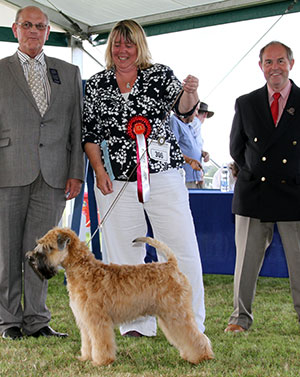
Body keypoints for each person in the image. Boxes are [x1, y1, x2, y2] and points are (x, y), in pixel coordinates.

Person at [82, 19, 206, 337]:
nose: (123, 50)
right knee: (122, 254)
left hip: (163, 176)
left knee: (180, 249)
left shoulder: (160, 74)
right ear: (111, 47)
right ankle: (136, 323)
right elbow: (90, 133)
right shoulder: (96, 84)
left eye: (130, 43)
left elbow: (184, 110)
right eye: (117, 44)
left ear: (140, 46)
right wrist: (98, 171)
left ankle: (190, 321)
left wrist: (190, 93)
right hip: (115, 179)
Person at [0, 6, 84, 340]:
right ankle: (8, 321)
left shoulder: (69, 72)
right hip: (7, 171)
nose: (33, 31)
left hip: (54, 176)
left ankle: (37, 320)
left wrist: (75, 171)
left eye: (40, 26)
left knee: (44, 252)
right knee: (6, 251)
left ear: (49, 32)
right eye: (27, 25)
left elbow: (77, 127)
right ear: (15, 29)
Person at [225, 41, 300, 333]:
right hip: (254, 192)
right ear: (261, 67)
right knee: (245, 261)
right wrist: (253, 171)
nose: (274, 68)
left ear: (291, 64)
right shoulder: (246, 102)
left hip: (295, 191)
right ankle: (239, 319)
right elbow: (236, 147)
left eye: (280, 61)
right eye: (268, 62)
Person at [170, 102, 214, 188]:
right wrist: (190, 161)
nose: (197, 114)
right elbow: (172, 150)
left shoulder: (189, 125)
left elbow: (191, 147)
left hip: (196, 177)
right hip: (185, 178)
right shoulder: (174, 121)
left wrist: (203, 153)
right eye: (196, 110)